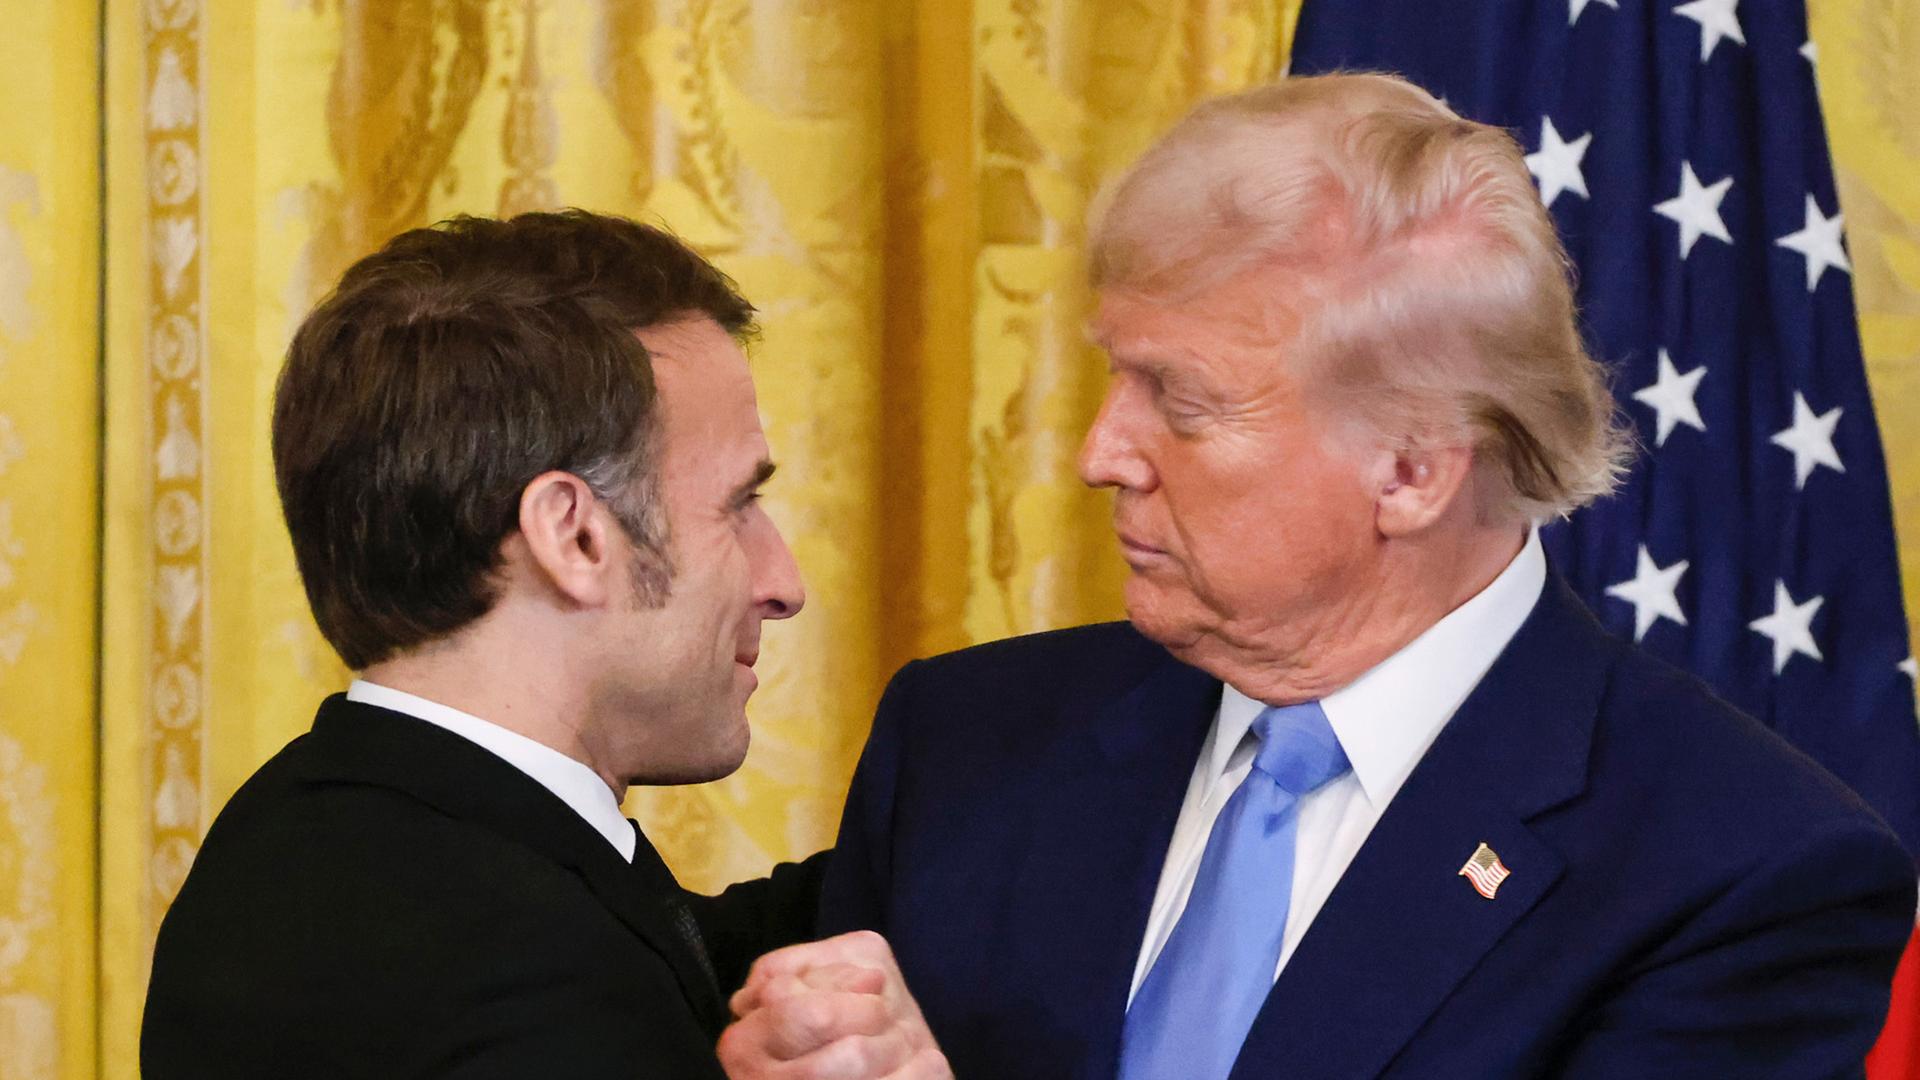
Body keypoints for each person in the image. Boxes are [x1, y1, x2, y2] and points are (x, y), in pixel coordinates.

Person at [777, 73, 1918, 1078]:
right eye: (1117, 377)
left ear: (1412, 471)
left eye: (1178, 401)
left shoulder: (1740, 875)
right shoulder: (967, 741)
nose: (1099, 454)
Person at [140, 210, 934, 1078]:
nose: (781, 581)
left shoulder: (307, 830)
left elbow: (676, 951)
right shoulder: (521, 970)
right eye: (738, 506)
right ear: (575, 537)